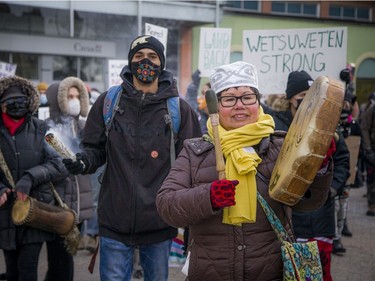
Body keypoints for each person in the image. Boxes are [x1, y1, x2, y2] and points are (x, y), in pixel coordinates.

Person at [156, 61, 333, 281]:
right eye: (229, 99)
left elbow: (308, 202)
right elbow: (167, 205)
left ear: (257, 102)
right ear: (216, 106)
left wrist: (318, 164)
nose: (239, 105)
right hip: (210, 273)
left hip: (271, 273)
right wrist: (208, 197)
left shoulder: (282, 147)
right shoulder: (196, 153)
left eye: (247, 97)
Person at [62, 35, 201, 281]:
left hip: (159, 220)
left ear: (162, 64)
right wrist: (83, 162)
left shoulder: (179, 110)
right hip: (114, 219)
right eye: (138, 56)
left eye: (152, 57)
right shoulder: (108, 102)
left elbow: (192, 163)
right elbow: (95, 149)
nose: (145, 61)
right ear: (130, 63)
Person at [271, 70, 350, 278]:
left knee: (320, 274)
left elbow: (343, 160)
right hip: (290, 216)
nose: (307, 101)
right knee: (293, 273)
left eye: (311, 96)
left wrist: (332, 189)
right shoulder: (275, 124)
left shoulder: (327, 124)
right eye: (301, 97)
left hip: (322, 215)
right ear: (290, 99)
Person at [0, 76, 68, 281]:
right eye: (10, 102)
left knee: (28, 270)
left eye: (20, 100)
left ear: (29, 101)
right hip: (5, 215)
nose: (16, 105)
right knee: (12, 272)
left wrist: (30, 178)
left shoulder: (42, 129)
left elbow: (61, 163)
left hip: (35, 211)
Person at [44, 77, 94, 281]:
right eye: (69, 96)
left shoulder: (85, 127)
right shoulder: (46, 129)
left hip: (80, 208)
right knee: (60, 263)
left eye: (77, 96)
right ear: (58, 100)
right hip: (57, 205)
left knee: (65, 261)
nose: (74, 101)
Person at [359, 91, 375, 216]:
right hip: (372, 151)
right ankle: (372, 205)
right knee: (372, 179)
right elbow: (364, 128)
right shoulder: (371, 111)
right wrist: (368, 148)